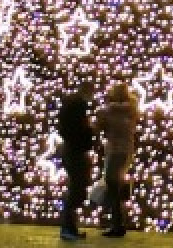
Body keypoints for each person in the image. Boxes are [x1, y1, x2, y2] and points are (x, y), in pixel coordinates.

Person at [95, 82, 139, 238]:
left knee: (112, 184)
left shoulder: (108, 111)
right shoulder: (131, 110)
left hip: (114, 150)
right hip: (127, 149)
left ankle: (117, 224)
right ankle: (118, 222)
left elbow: (97, 126)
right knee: (115, 185)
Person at [57, 82, 98, 241]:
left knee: (77, 187)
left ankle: (70, 228)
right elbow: (77, 128)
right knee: (77, 188)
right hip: (76, 151)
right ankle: (67, 228)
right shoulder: (78, 105)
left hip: (74, 150)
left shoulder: (72, 104)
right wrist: (89, 131)